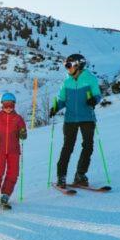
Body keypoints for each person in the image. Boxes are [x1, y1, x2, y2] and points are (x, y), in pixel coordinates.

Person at [49, 54, 102, 188]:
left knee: (88, 146)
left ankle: (80, 175)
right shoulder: (66, 82)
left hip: (87, 117)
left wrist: (94, 100)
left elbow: (97, 95)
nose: (67, 68)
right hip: (70, 119)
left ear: (78, 65)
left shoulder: (90, 79)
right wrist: (55, 108)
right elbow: (61, 100)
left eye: (68, 65)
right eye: (65, 66)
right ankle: (61, 177)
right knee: (68, 147)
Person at [0, 92, 27, 213]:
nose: (8, 108)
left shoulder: (18, 118)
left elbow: (23, 133)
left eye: (11, 105)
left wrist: (23, 134)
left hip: (14, 150)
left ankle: (5, 194)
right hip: (0, 150)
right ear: (1, 105)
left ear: (14, 105)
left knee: (13, 173)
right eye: (5, 105)